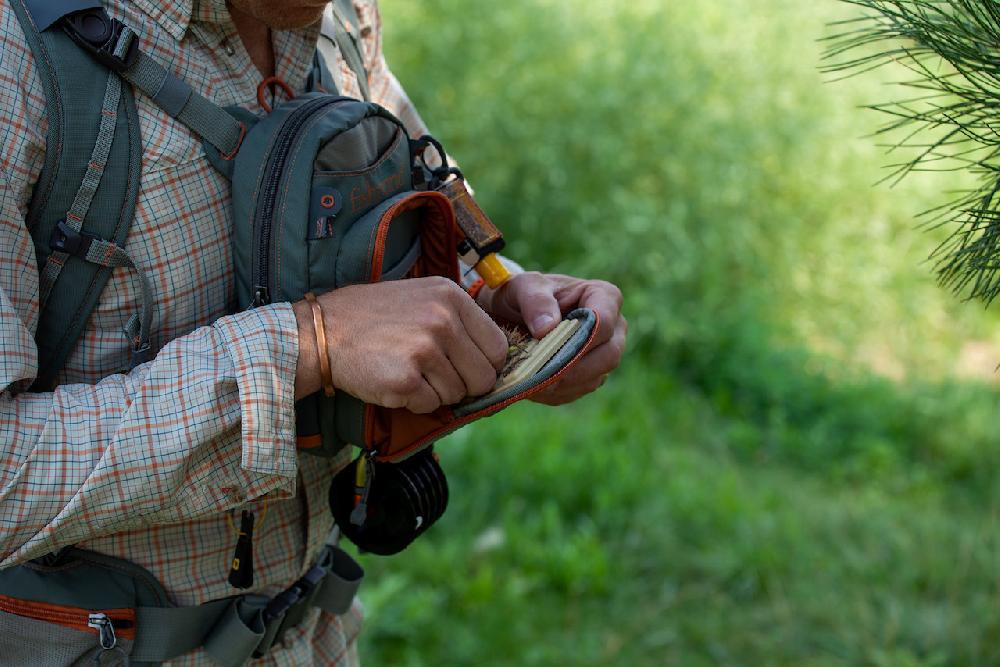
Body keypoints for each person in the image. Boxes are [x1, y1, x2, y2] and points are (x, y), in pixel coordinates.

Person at [0, 0, 627, 663]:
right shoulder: (18, 57)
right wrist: (306, 346)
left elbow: (408, 180)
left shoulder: (341, 17)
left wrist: (496, 307)